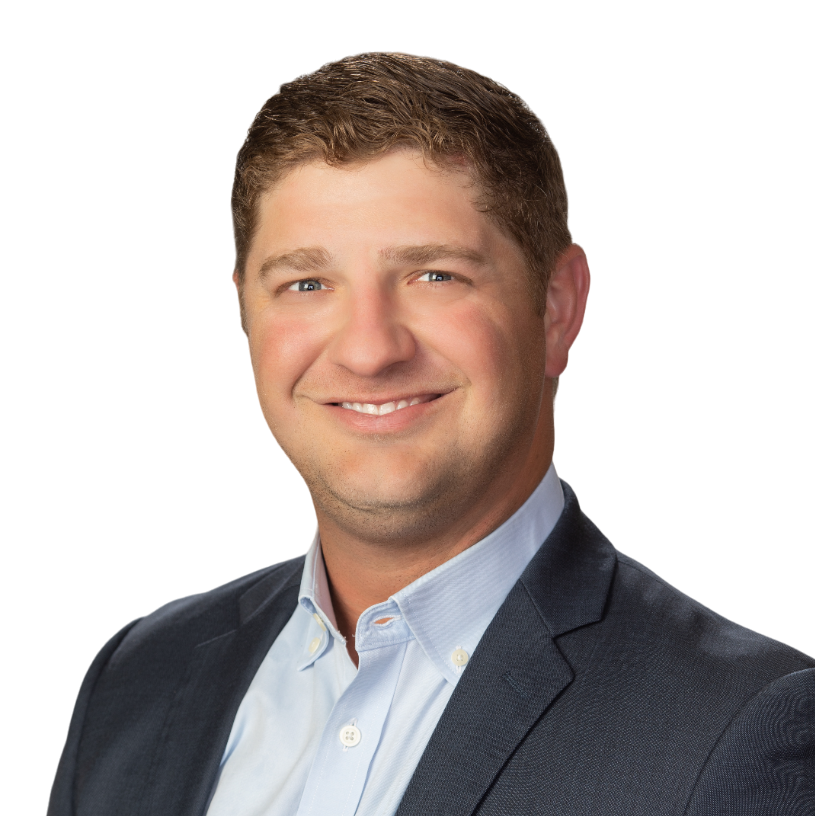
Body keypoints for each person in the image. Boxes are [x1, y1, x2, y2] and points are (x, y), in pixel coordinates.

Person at [48, 53, 815, 816]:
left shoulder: (740, 730)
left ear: (556, 308)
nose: (368, 350)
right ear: (245, 309)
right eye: (305, 283)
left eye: (434, 275)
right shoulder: (138, 678)